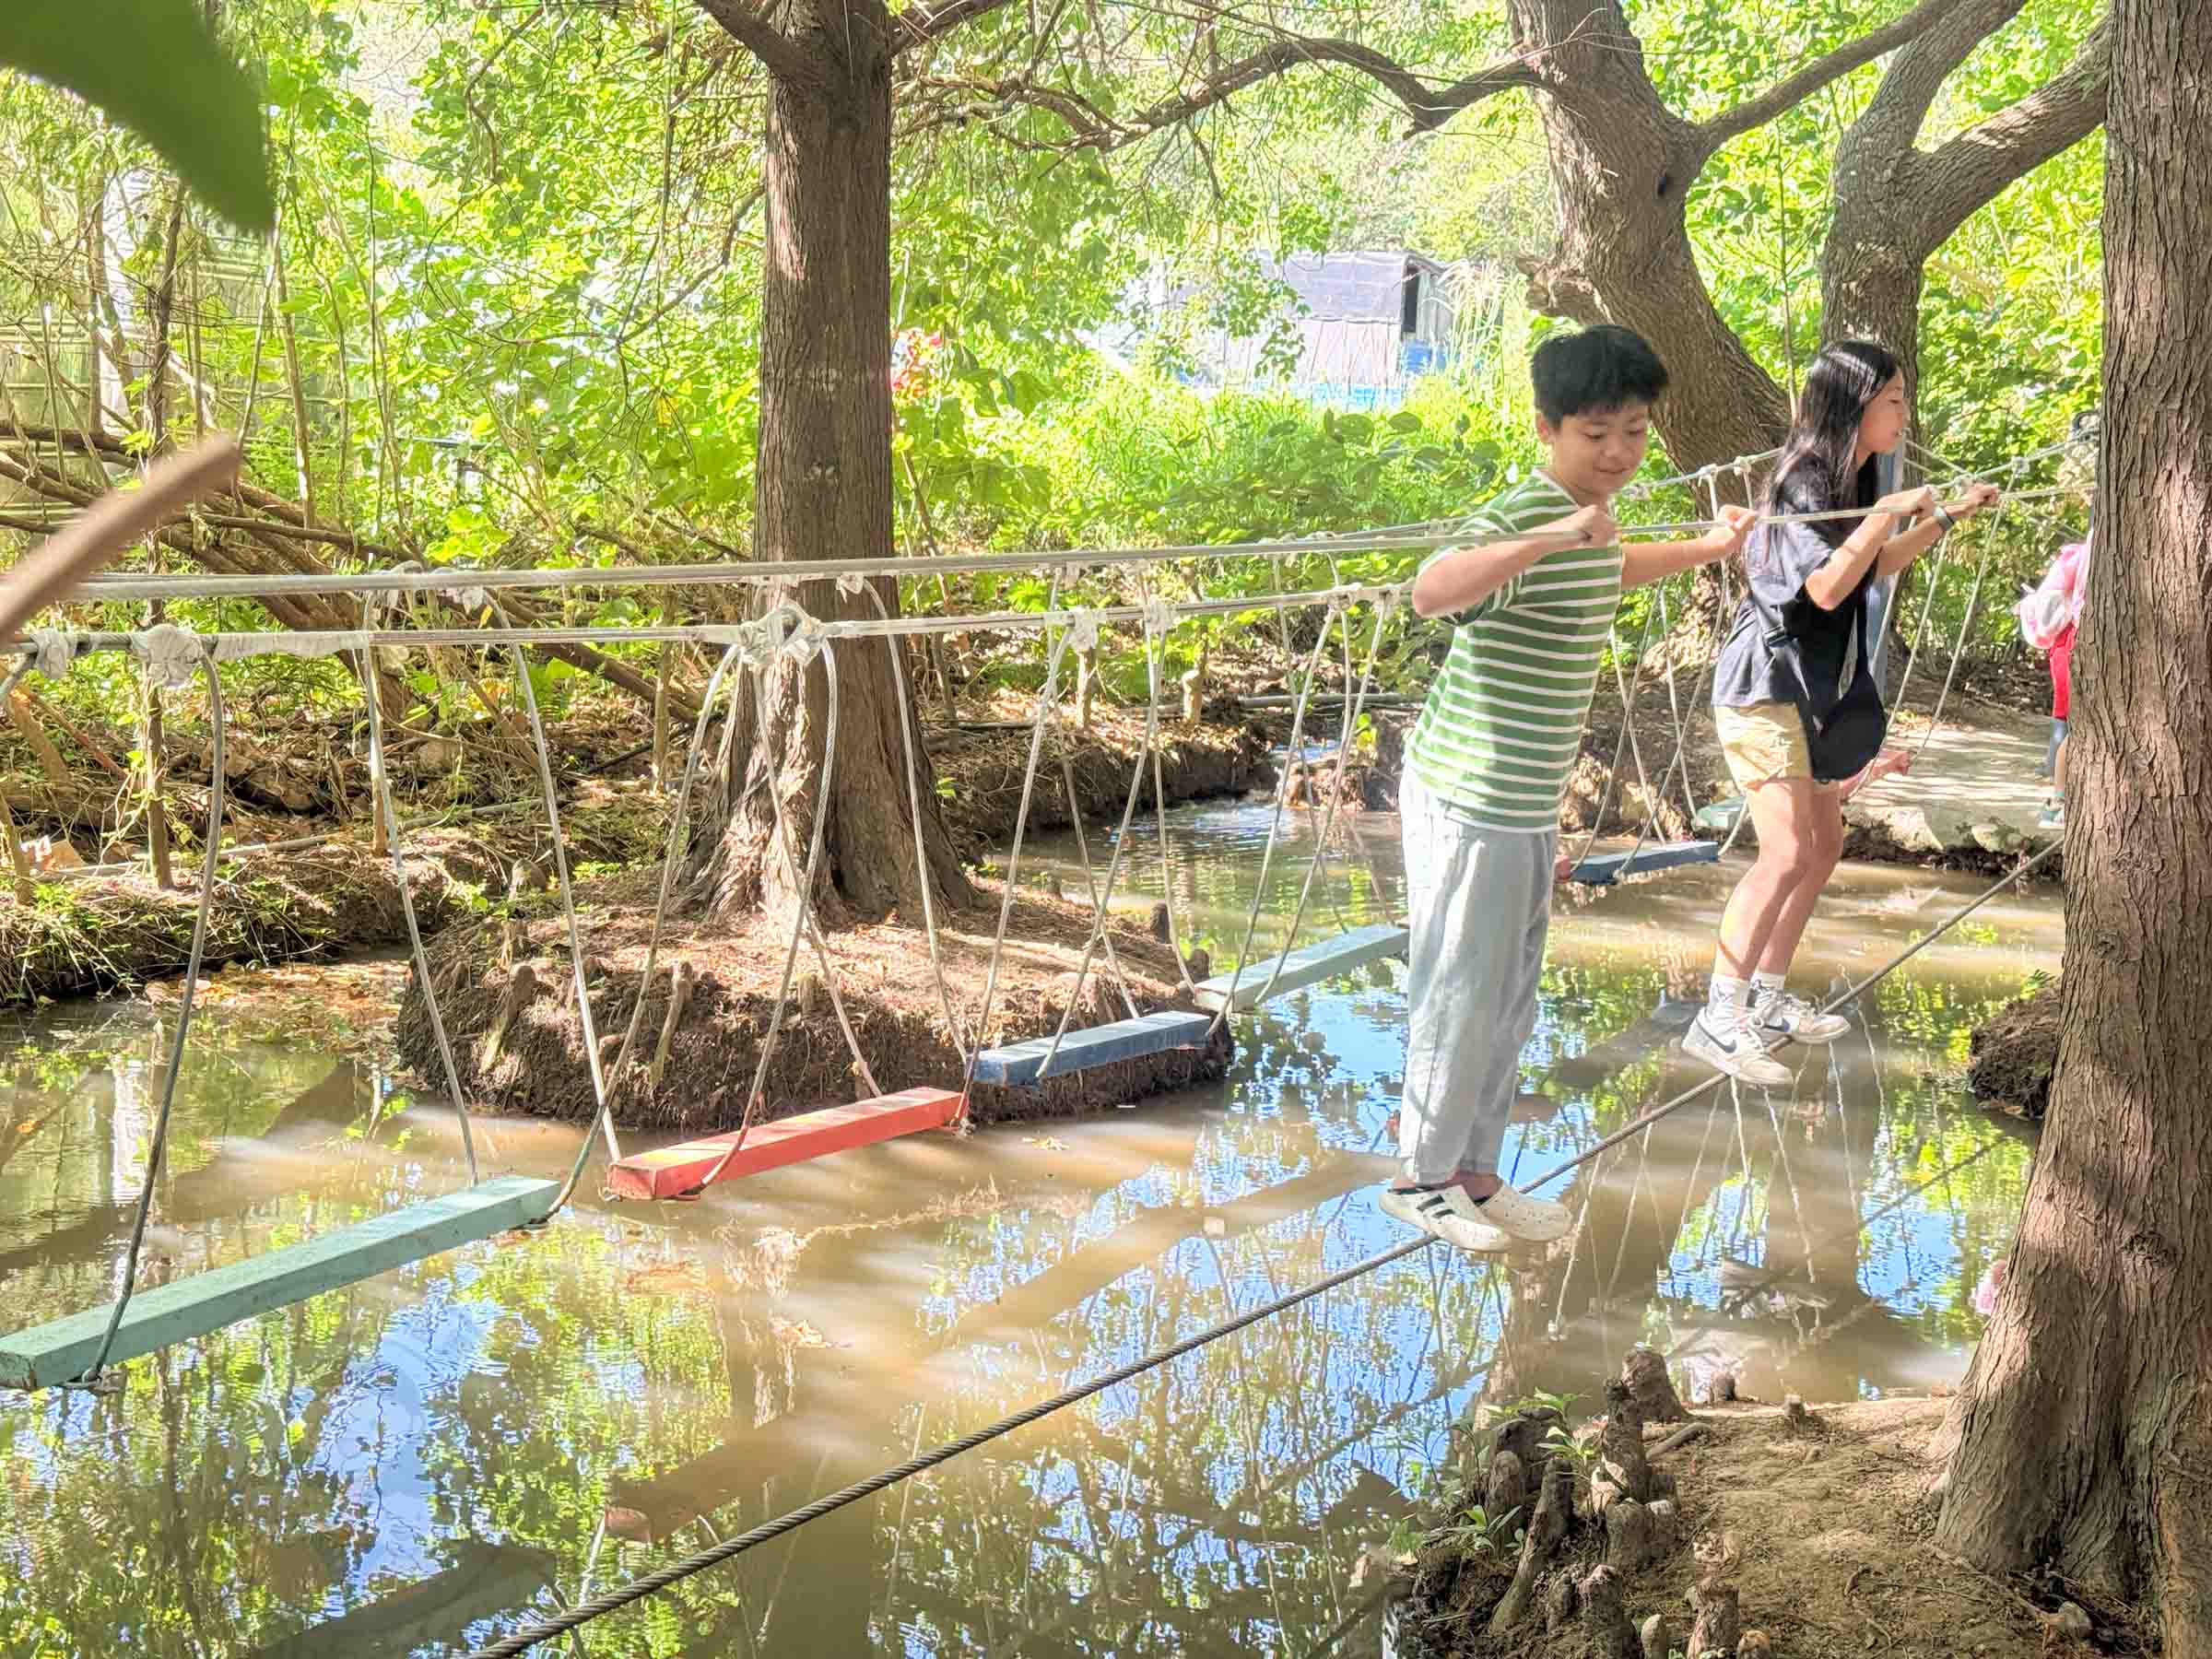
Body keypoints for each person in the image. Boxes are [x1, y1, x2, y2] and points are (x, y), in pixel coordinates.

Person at [1385, 325, 1757, 1253]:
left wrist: (1707, 549)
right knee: (1459, 986)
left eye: (1634, 432)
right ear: (1546, 429)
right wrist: (1553, 528)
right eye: (1597, 435)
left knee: (1509, 992)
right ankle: (1420, 1179)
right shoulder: (1527, 509)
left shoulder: (1595, 520)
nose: (1620, 454)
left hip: (1521, 801)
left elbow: (1610, 566)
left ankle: (1474, 1175)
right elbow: (1433, 590)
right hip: (1468, 792)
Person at [1689, 341, 2000, 1086]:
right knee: (1788, 850)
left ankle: (1765, 999)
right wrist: (1883, 517)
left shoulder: (1852, 476)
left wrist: (1944, 519)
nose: (1905, 412)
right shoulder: (1803, 481)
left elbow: (1871, 566)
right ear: (1855, 405)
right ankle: (1716, 1015)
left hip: (1815, 691)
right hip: (1765, 685)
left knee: (1823, 846)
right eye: (1894, 399)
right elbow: (1826, 590)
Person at [2018, 530, 2089, 829]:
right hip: (2072, 646)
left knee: (2075, 727)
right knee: (2078, 728)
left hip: (2071, 646)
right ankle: (2058, 801)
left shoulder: (2083, 553)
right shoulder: (2086, 555)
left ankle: (2061, 799)